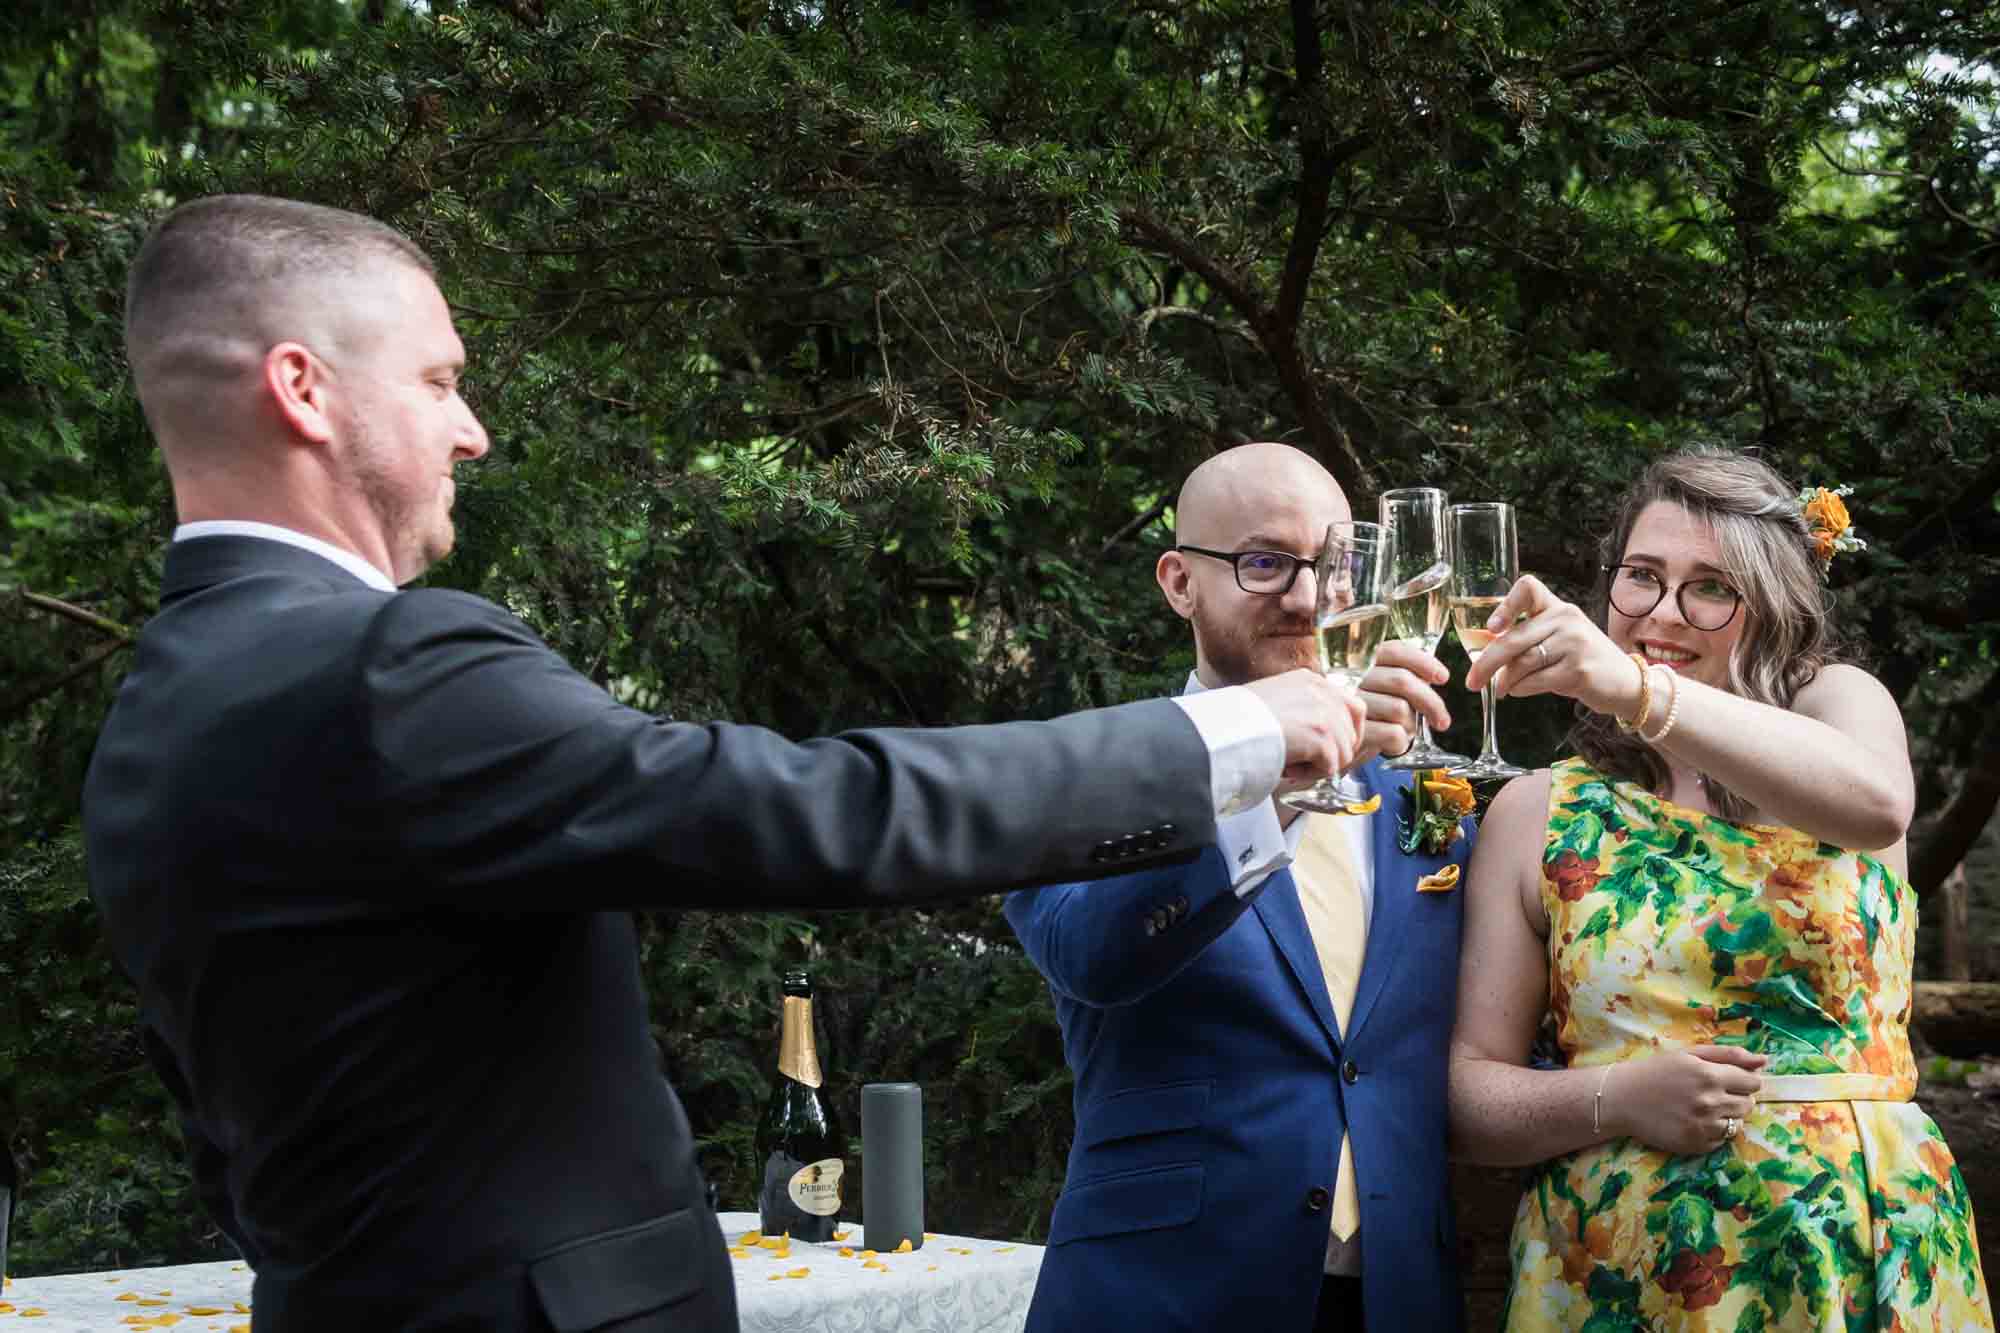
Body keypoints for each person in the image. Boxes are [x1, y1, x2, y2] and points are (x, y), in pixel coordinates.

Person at [80, 195, 1369, 1333]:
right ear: (303, 389)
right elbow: (811, 814)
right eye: (436, 381)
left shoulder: (152, 718)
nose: (469, 430)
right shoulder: (390, 665)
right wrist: (1238, 735)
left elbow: (225, 1131)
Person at [1449, 449, 1994, 1330]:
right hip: (1620, 1269)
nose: (1663, 612)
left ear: (1772, 608)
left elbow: (1878, 804)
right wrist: (1617, 1098)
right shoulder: (1538, 811)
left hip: (1854, 1247)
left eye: (1710, 588)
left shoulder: (1840, 709)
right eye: (1641, 577)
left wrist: (1634, 688)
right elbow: (1469, 1100)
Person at [1006, 442, 1478, 1333]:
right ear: (1181, 581)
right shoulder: (1088, 766)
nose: (1308, 598)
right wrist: (1282, 783)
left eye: (1334, 564)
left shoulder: (1430, 797)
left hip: (1394, 1300)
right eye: (1265, 563)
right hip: (1163, 1296)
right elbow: (1090, 953)